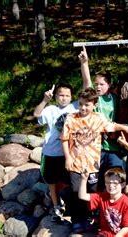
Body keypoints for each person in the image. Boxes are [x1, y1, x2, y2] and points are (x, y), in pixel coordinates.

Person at [61, 88, 128, 233]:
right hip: (76, 163)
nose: (83, 108)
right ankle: (78, 220)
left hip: (93, 165)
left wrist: (125, 129)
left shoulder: (98, 118)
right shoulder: (71, 118)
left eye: (87, 105)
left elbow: (112, 126)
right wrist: (68, 158)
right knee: (77, 191)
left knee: (91, 192)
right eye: (81, 104)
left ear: (94, 105)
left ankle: (92, 218)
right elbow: (64, 140)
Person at [79, 46, 125, 191]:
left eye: (102, 84)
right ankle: (94, 208)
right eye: (97, 84)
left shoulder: (115, 99)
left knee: (115, 177)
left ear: (109, 85)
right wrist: (84, 63)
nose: (98, 87)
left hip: (113, 145)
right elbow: (87, 82)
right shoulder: (94, 98)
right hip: (95, 146)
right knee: (94, 180)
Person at [33, 83, 78, 222]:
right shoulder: (51, 109)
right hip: (50, 153)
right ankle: (56, 206)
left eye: (67, 95)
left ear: (71, 97)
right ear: (56, 96)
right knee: (51, 182)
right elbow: (36, 114)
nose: (64, 98)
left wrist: (84, 64)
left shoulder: (75, 107)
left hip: (68, 154)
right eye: (61, 95)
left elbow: (88, 87)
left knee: (69, 182)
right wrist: (45, 100)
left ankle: (71, 205)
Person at [78, 167, 128, 237]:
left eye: (115, 183)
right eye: (108, 182)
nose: (111, 185)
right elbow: (82, 196)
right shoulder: (103, 196)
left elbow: (127, 227)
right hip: (105, 234)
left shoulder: (127, 203)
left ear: (123, 185)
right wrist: (84, 179)